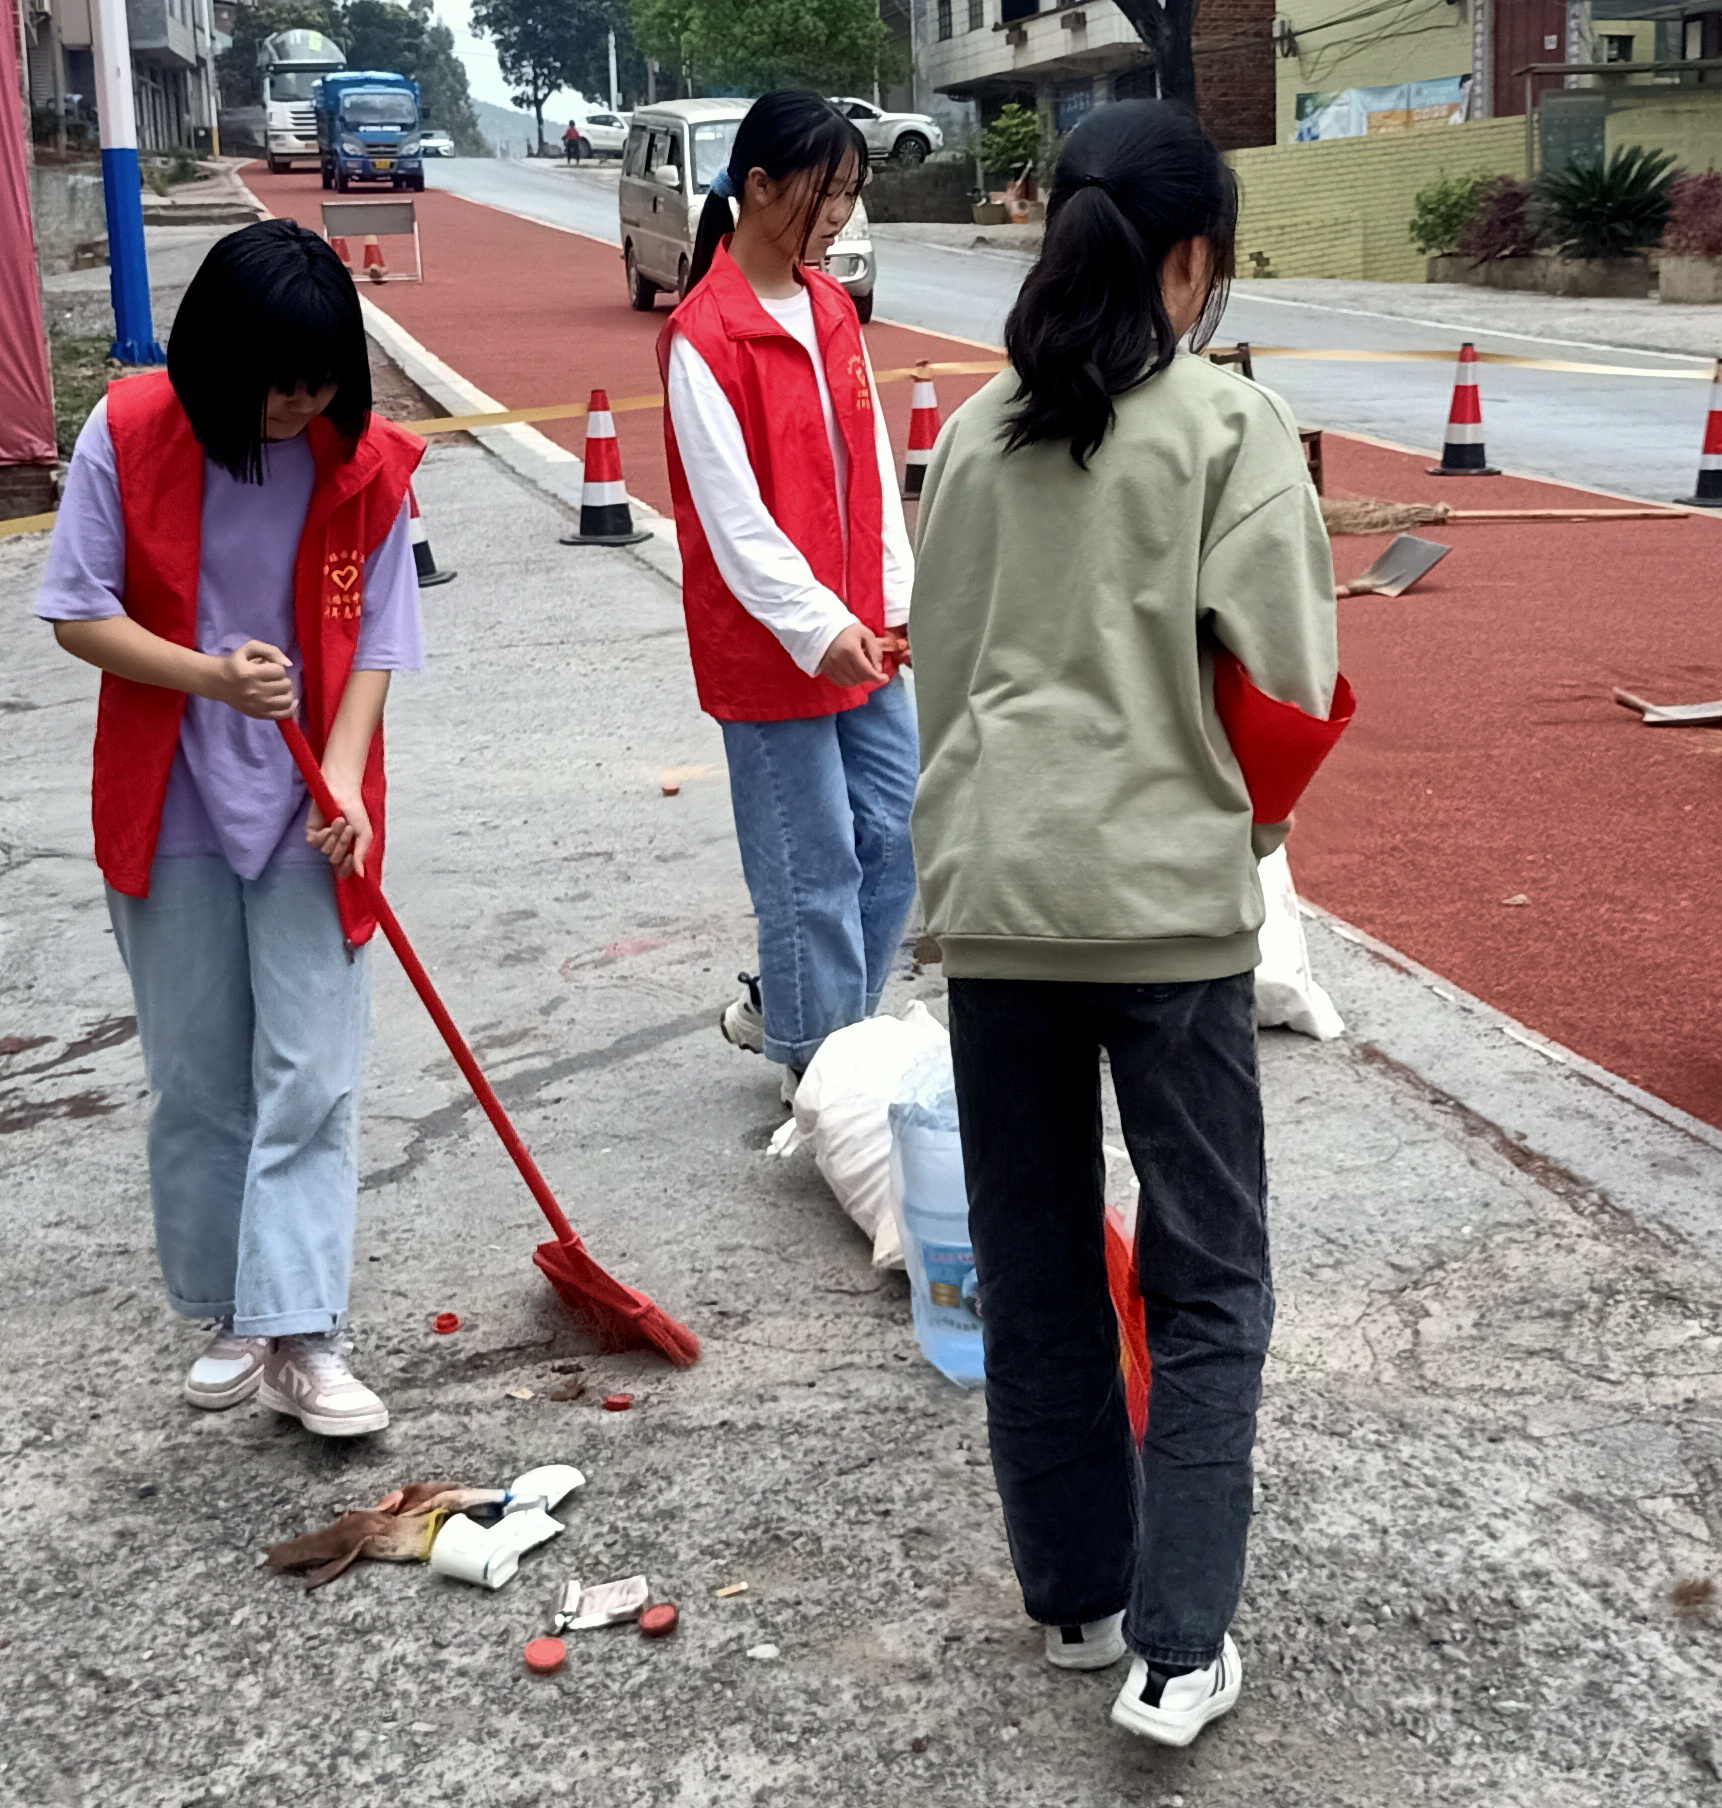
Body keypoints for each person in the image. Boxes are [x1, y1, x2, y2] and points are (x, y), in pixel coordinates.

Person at [903, 101, 1349, 1749]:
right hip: (1166, 915)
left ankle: (1080, 1599)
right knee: (1209, 1274)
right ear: (1191, 259)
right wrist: (1244, 834)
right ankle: (1182, 1643)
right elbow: (1290, 691)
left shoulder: (972, 434)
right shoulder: (1231, 428)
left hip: (1002, 913)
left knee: (1036, 1271)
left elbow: (938, 679)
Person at [33, 219, 430, 1440]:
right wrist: (207, 676)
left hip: (316, 811)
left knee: (312, 1069)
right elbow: (73, 610)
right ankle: (226, 1309)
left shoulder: (357, 460)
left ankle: (303, 1333)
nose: (296, 405)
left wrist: (349, 780)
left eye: (318, 382)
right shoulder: (131, 432)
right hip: (177, 798)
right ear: (215, 357)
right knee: (200, 1073)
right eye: (275, 382)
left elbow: (376, 639)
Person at [653, 90, 919, 1088]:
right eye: (824, 193)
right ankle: (819, 1066)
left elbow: (870, 466)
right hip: (775, 649)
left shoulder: (831, 311)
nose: (839, 216)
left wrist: (897, 598)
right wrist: (819, 623)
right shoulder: (703, 334)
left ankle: (805, 1017)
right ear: (758, 186)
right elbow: (734, 523)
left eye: (852, 193)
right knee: (813, 869)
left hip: (865, 634)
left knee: (894, 833)